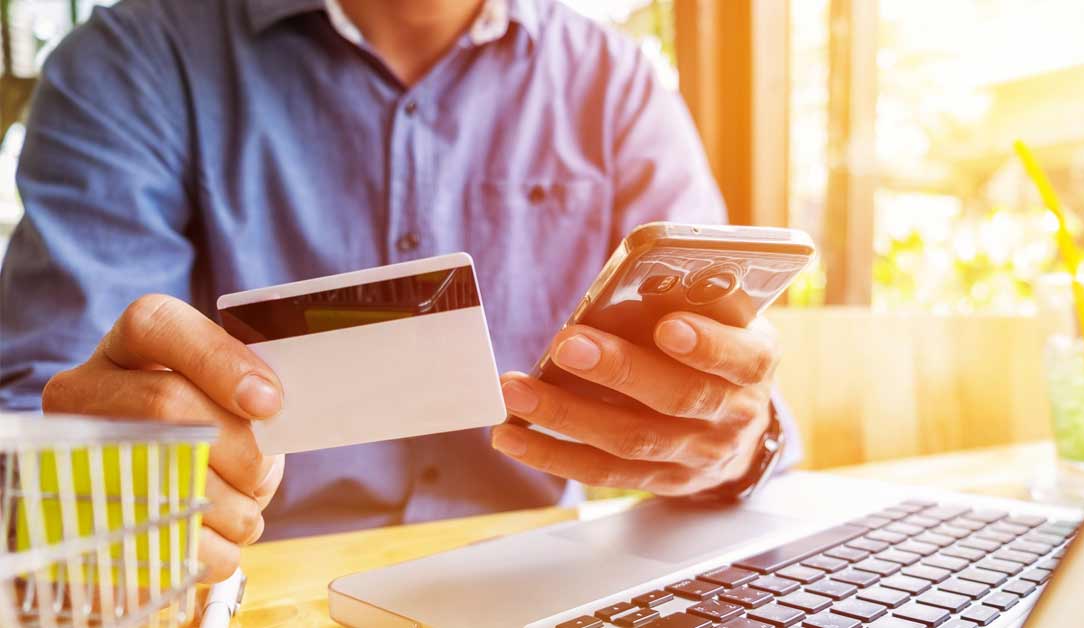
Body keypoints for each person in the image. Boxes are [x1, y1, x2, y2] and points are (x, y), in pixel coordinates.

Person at [0, 0, 795, 582]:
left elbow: (733, 396)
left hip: (539, 579)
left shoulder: (614, 82)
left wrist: (730, 437)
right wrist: (84, 484)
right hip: (251, 585)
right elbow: (51, 411)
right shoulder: (137, 59)